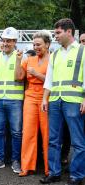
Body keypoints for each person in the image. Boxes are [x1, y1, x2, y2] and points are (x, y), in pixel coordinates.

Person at [40, 18, 85, 185]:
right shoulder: (55, 54)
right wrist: (45, 98)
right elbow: (49, 80)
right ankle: (54, 172)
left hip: (74, 101)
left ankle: (77, 176)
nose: (55, 36)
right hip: (55, 101)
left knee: (78, 141)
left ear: (69, 32)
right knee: (53, 140)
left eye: (58, 33)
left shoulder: (82, 51)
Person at [15, 30, 51, 177]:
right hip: (30, 97)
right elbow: (18, 77)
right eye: (34, 44)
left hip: (47, 97)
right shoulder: (29, 59)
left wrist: (36, 74)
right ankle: (27, 167)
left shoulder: (54, 59)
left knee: (47, 134)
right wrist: (18, 60)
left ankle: (50, 169)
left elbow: (53, 81)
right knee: (28, 133)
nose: (36, 47)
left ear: (48, 44)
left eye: (39, 44)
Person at [0, 27, 23, 173]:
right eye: (4, 40)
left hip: (15, 100)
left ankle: (15, 160)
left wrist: (19, 61)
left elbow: (21, 77)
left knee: (16, 132)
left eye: (9, 40)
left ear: (15, 42)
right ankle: (0, 159)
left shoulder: (21, 56)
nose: (6, 43)